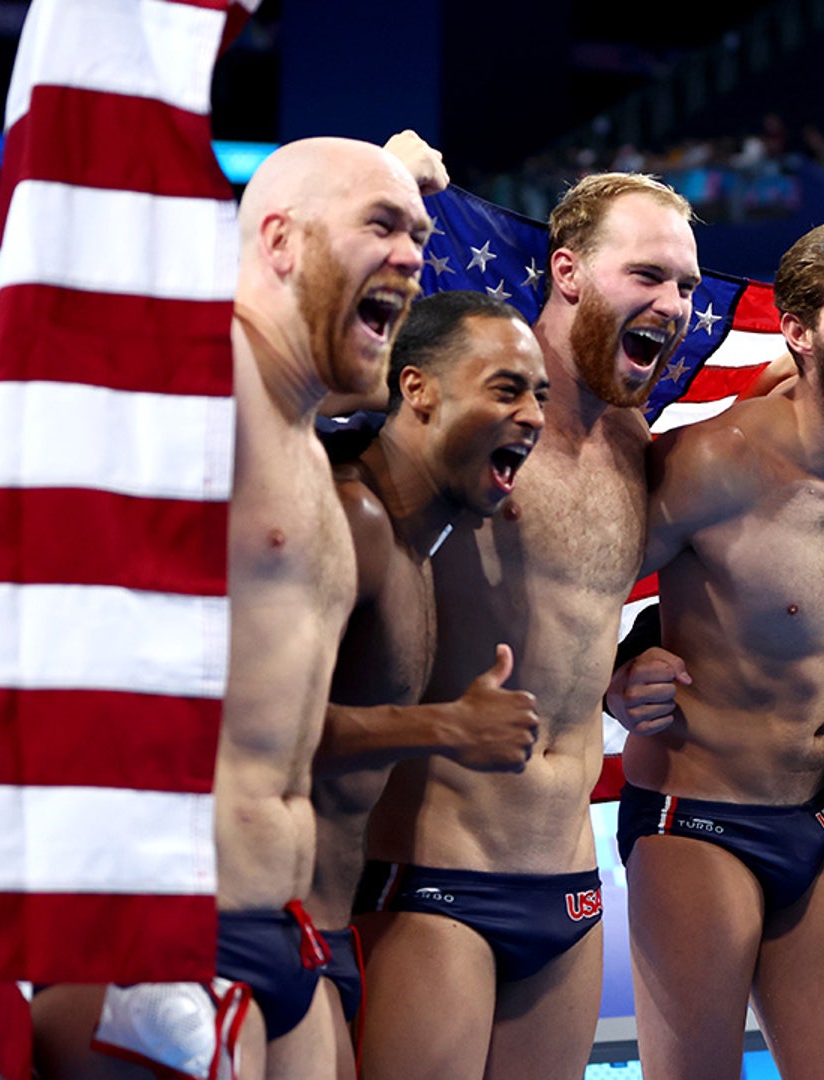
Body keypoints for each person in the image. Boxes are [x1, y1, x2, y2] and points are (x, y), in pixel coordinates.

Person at [31, 135, 433, 1080]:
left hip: (283, 930)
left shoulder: (303, 440)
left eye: (418, 234)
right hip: (167, 933)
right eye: (384, 226)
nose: (416, 254)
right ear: (279, 243)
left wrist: (380, 183)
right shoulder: (209, 380)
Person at [355, 172, 700, 1080]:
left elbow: (576, 614)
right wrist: (377, 192)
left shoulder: (636, 449)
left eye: (688, 287)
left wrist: (627, 666)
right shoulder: (454, 419)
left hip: (572, 891)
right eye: (650, 275)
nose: (673, 304)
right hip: (435, 878)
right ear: (569, 273)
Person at [606, 217, 824, 1080]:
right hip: (695, 821)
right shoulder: (717, 464)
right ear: (797, 335)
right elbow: (569, 587)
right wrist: (612, 676)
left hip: (817, 818)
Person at [305, 291, 549, 1077]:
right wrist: (448, 727)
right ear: (417, 390)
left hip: (325, 933)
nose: (534, 416)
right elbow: (248, 725)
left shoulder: (420, 541)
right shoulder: (353, 522)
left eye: (538, 395)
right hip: (259, 932)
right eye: (506, 388)